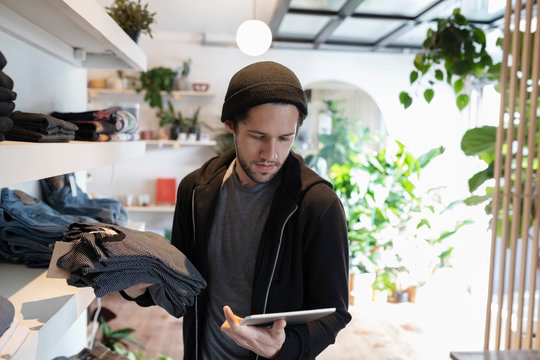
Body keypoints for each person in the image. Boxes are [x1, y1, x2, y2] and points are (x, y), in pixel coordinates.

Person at [123, 61, 351, 359]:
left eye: (285, 138)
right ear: (231, 125)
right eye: (258, 136)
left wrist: (282, 347)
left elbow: (335, 314)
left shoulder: (317, 205)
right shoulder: (195, 191)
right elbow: (183, 286)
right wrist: (137, 288)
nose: (271, 154)